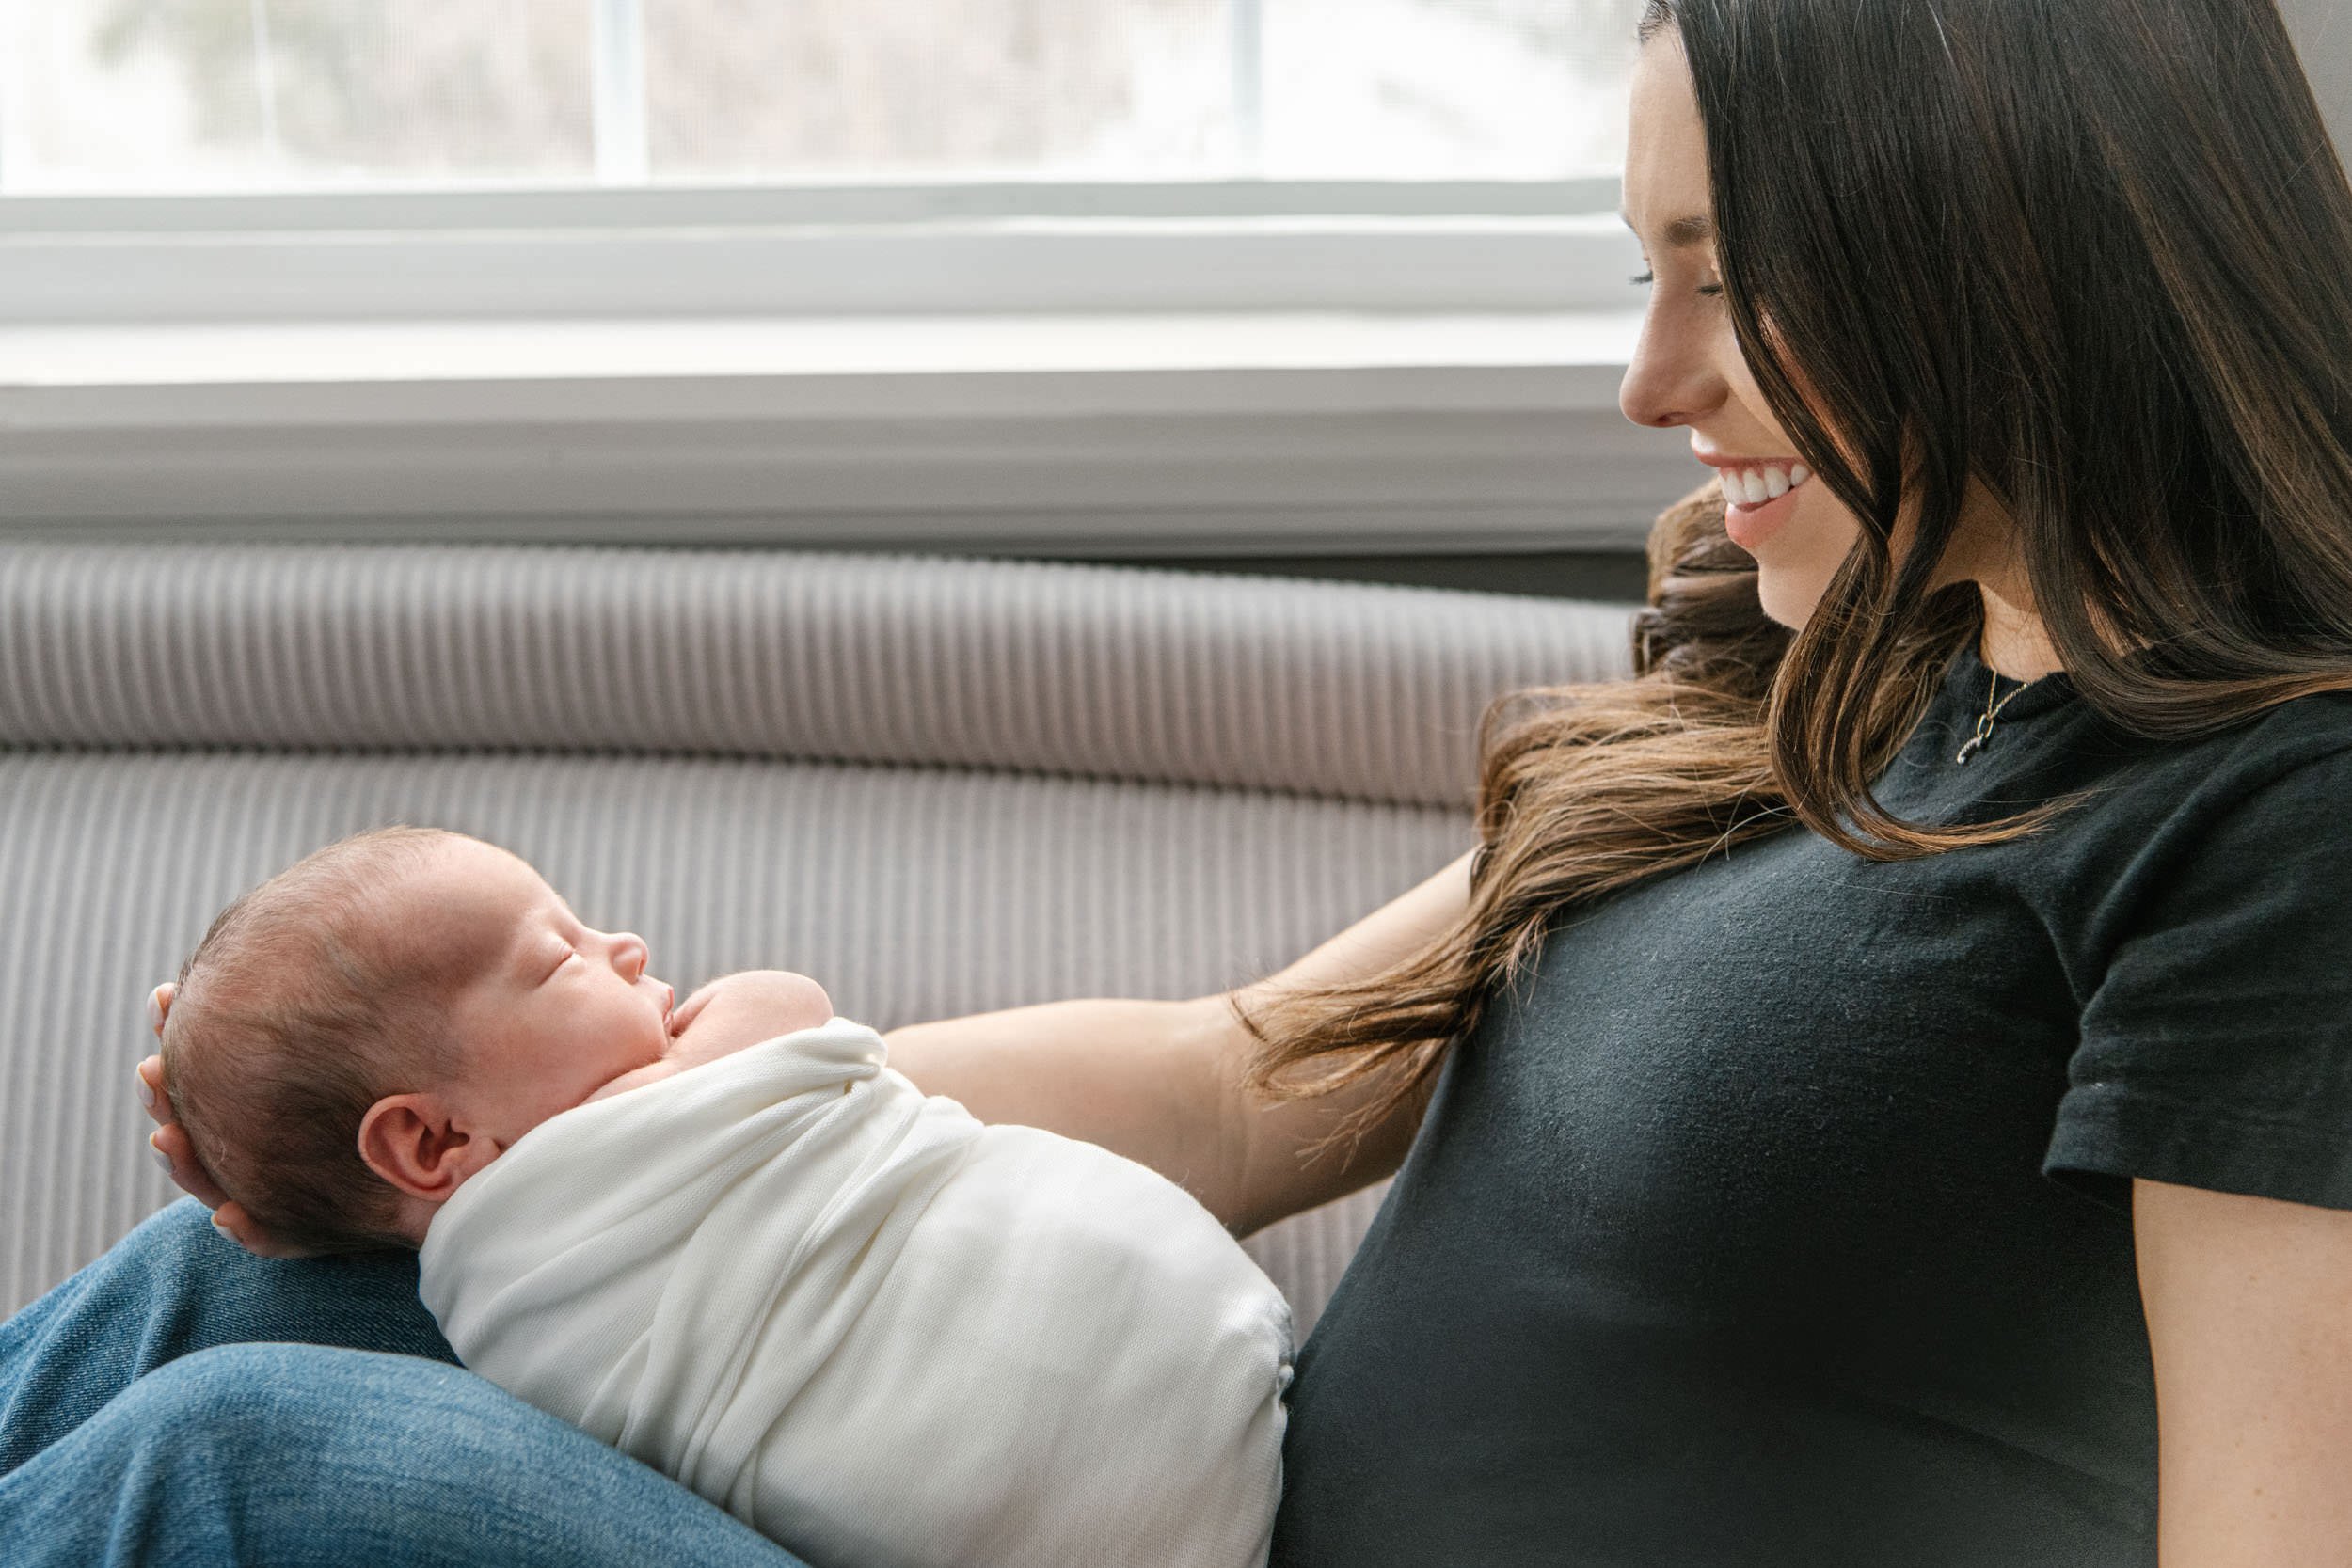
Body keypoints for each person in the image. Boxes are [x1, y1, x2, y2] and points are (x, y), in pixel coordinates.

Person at [8, 0, 2352, 1561]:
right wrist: (585, 1133)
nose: (1647, 383)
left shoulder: (2263, 827)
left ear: (2000, 264)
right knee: (240, 1300)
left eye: (1721, 281)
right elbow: (1246, 1083)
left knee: (242, 1475)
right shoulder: (1815, 690)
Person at [153, 824, 1290, 1568]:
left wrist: (300, 1204)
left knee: (198, 1261)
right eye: (562, 957)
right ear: (430, 1136)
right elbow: (786, 1002)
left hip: (1092, 1508)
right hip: (1192, 1399)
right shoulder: (692, 1094)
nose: (629, 945)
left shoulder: (480, 1303)